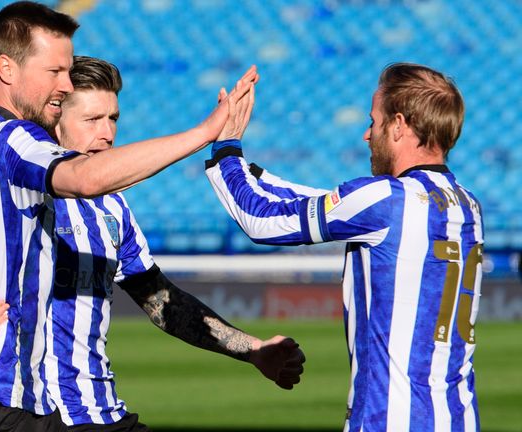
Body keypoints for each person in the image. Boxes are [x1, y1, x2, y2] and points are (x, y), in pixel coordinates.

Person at [0, 55, 305, 431]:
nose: (108, 131)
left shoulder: (111, 208)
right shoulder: (14, 190)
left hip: (99, 413)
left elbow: (162, 303)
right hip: (24, 411)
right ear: (53, 120)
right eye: (92, 119)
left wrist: (252, 350)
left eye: (113, 118)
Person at [204, 63, 483, 431]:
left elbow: (261, 220)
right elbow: (323, 202)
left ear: (399, 125)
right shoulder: (467, 204)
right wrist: (255, 173)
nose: (368, 135)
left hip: (389, 419)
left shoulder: (385, 200)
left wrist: (225, 146)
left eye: (374, 121)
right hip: (458, 418)